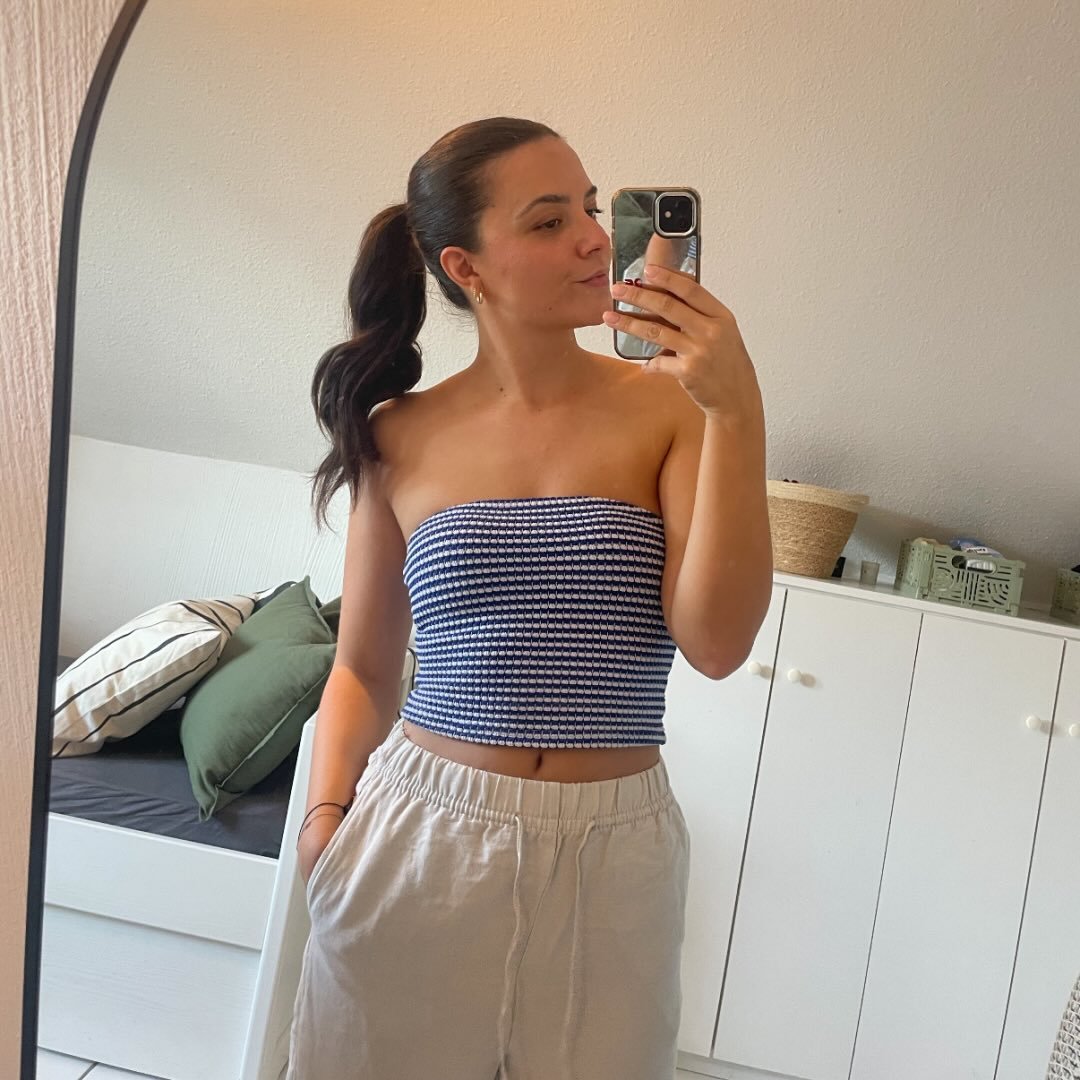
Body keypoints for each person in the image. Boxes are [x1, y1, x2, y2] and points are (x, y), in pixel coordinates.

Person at [288, 116, 772, 1080]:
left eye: (591, 208)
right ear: (465, 267)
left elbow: (716, 645)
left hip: (616, 853)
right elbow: (364, 669)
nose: (594, 239)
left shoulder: (673, 408)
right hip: (419, 834)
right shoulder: (399, 434)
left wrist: (737, 406)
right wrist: (325, 823)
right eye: (550, 222)